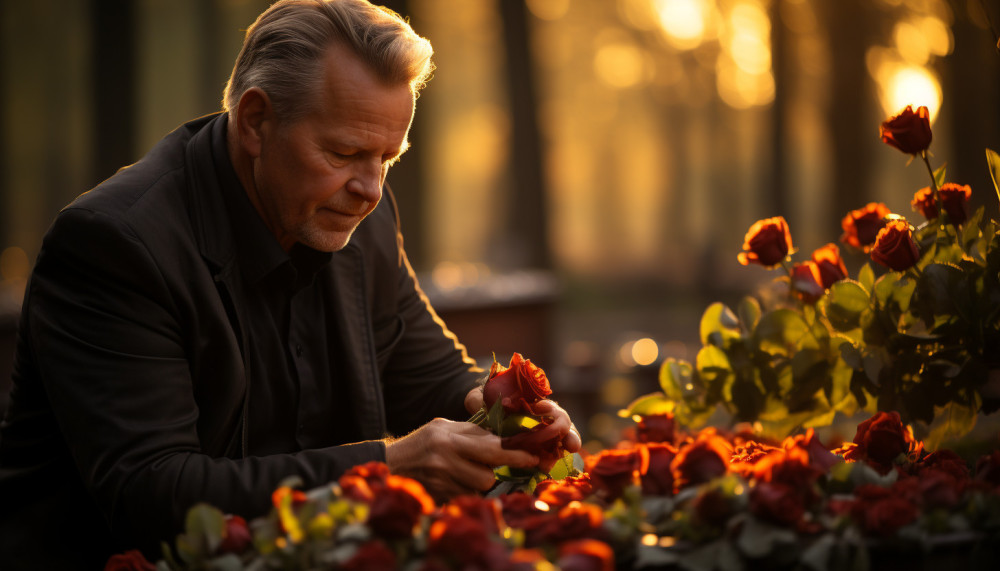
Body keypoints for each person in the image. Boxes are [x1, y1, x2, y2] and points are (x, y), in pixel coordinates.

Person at [0, 0, 580, 567]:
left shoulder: (361, 215)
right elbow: (152, 495)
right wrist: (389, 465)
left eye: (387, 157)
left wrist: (502, 409)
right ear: (255, 121)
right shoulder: (115, 244)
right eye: (345, 152)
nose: (371, 189)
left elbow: (422, 368)